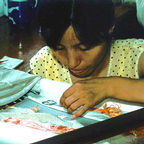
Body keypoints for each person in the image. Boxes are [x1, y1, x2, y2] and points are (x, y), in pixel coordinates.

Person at [30, 0, 144, 119]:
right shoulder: (45, 63)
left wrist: (109, 87)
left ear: (110, 26)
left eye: (84, 48)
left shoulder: (133, 54)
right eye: (59, 48)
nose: (73, 63)